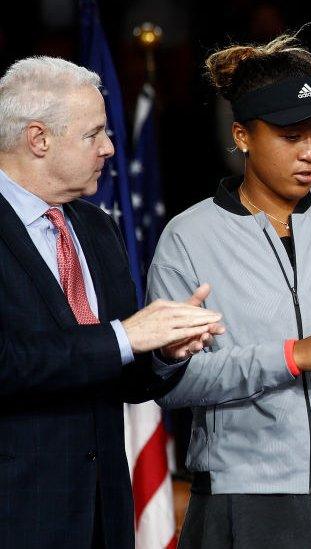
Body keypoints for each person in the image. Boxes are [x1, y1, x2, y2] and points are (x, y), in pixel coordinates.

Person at [146, 33, 311, 548]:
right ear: (243, 135)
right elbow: (173, 384)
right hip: (243, 496)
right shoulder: (189, 237)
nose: (310, 152)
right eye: (291, 137)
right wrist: (295, 356)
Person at [0, 56, 223, 548]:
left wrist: (164, 351)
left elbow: (123, 375)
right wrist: (126, 335)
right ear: (38, 139)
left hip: (106, 519)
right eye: (94, 134)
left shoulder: (97, 227)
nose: (109, 148)